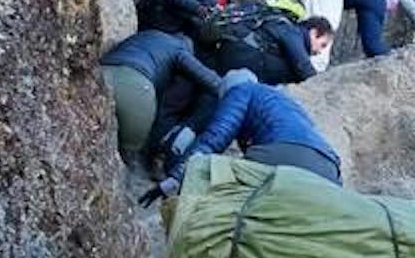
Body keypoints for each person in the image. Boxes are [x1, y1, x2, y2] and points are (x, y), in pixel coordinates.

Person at [142, 79, 342, 203]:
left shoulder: (240, 91)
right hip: (330, 167)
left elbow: (212, 142)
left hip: (282, 153)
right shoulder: (285, 102)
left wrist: (173, 180)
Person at [98, 28, 223, 172]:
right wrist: (231, 87)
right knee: (128, 157)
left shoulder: (148, 34)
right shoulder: (179, 49)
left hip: (102, 73)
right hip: (135, 87)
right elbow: (209, 79)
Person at [203, 8, 334, 87]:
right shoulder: (293, 33)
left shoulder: (289, 31)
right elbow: (302, 66)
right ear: (314, 32)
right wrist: (321, 83)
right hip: (239, 59)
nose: (319, 51)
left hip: (235, 60)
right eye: (322, 44)